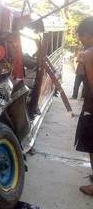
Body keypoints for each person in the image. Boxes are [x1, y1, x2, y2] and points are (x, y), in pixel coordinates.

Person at [74, 17, 93, 196]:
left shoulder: (89, 54)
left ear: (86, 35)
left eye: (80, 37)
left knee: (92, 147)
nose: (80, 41)